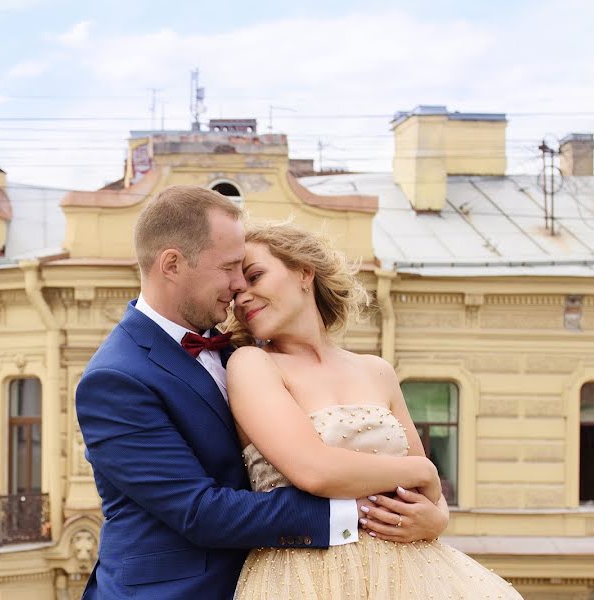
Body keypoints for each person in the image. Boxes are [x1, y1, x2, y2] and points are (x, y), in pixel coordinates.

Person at [75, 186, 448, 600]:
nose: (238, 288)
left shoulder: (244, 352)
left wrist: (432, 518)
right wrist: (364, 513)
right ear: (172, 264)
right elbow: (200, 511)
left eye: (249, 273)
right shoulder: (116, 377)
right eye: (231, 268)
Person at [227, 222, 522, 598]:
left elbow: (430, 498)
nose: (243, 299)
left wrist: (437, 519)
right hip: (308, 577)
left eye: (254, 277)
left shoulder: (377, 371)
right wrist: (422, 469)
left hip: (416, 575)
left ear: (304, 272)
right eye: (236, 292)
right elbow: (314, 470)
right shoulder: (252, 364)